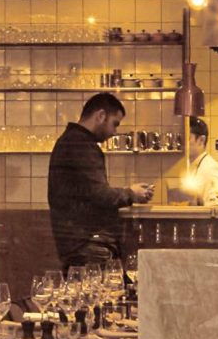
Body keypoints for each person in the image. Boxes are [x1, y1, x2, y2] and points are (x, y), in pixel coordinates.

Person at [48, 91, 151, 263]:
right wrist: (131, 194)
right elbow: (100, 194)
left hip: (75, 243)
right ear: (101, 116)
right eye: (114, 124)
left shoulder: (69, 141)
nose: (114, 132)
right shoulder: (82, 145)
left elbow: (88, 192)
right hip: (88, 243)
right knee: (99, 289)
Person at [181, 115, 218, 203]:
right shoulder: (196, 165)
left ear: (201, 140)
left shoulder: (210, 169)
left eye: (187, 138)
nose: (183, 143)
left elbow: (217, 209)